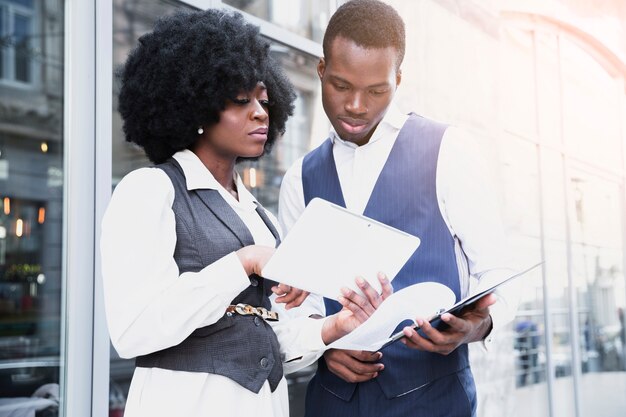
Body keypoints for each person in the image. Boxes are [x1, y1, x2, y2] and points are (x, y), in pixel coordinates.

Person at [101, 9, 391, 417]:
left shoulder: (258, 216)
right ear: (195, 105)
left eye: (264, 99)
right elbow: (133, 332)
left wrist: (336, 327)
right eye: (241, 100)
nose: (260, 112)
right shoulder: (150, 190)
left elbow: (272, 340)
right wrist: (244, 261)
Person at [278, 1, 518, 416]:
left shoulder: (448, 151)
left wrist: (477, 327)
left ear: (398, 79)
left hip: (435, 401)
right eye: (339, 85)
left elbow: (498, 271)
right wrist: (323, 348)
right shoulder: (300, 178)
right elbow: (294, 308)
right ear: (320, 71)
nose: (355, 105)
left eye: (376, 91)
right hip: (333, 404)